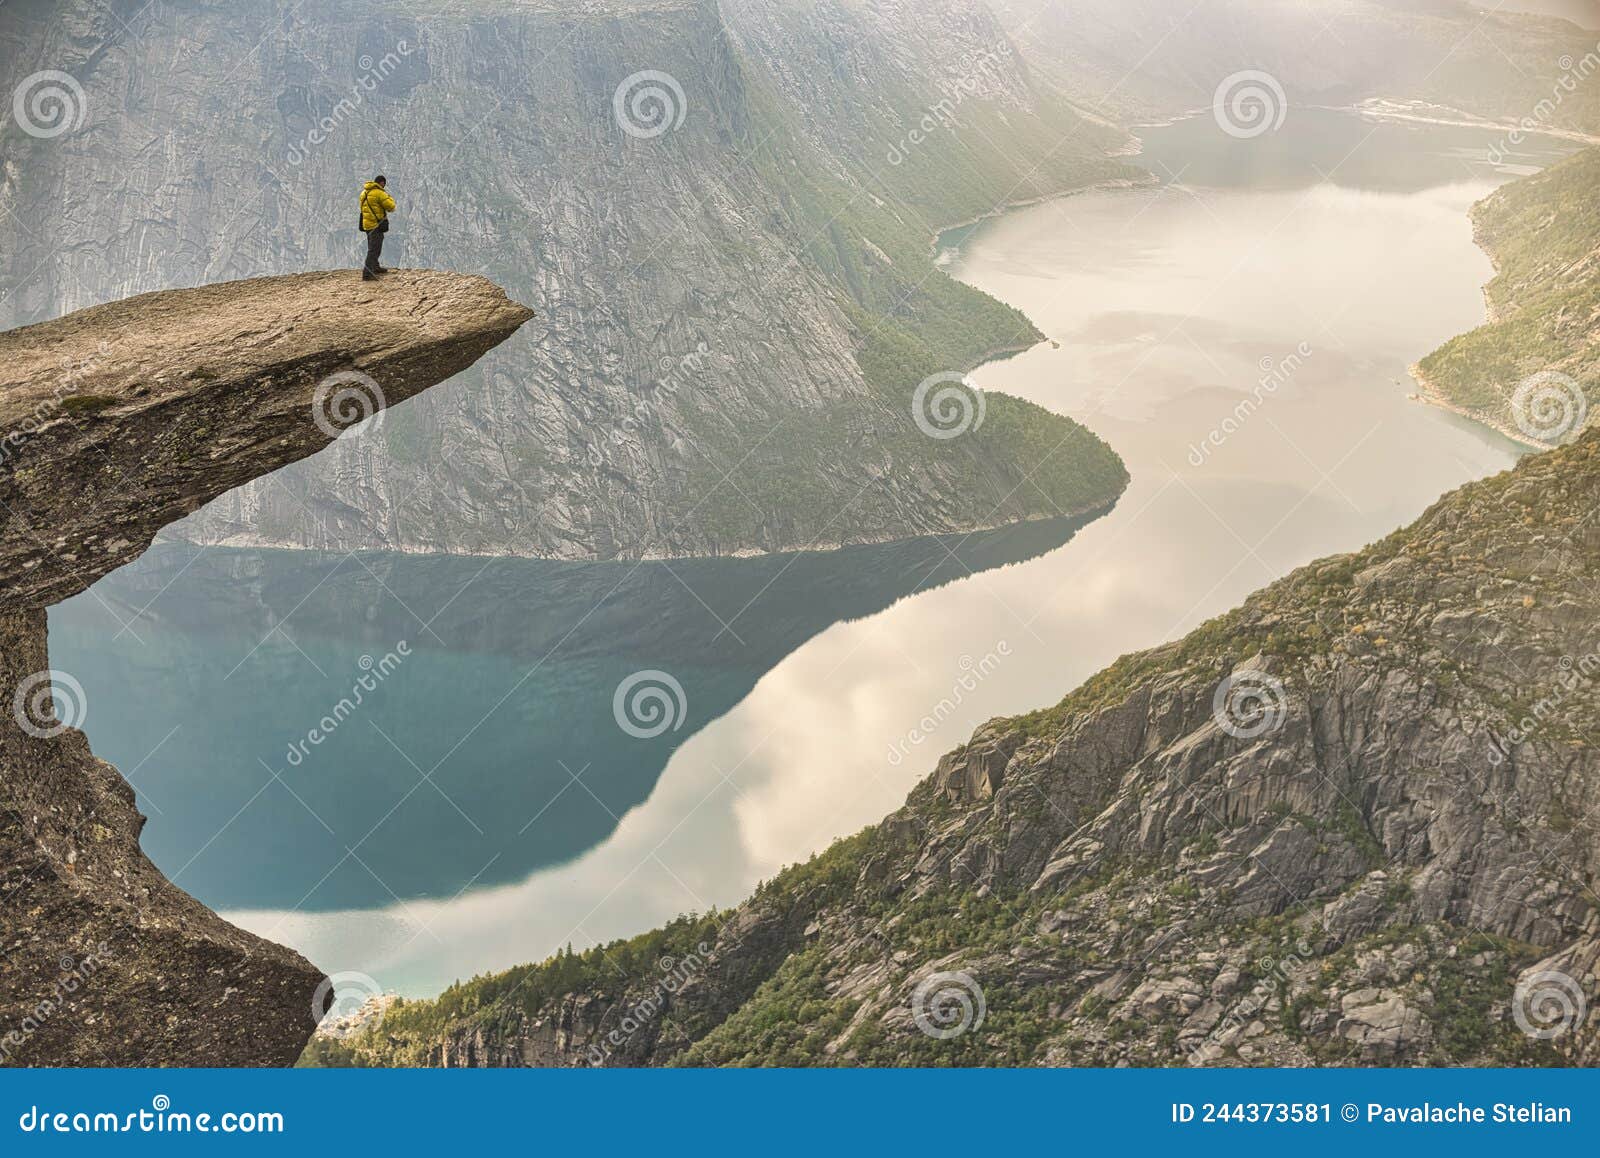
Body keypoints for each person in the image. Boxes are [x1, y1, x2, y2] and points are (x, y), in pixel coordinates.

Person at [359, 175, 396, 280]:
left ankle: (375, 267)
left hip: (366, 225)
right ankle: (367, 274)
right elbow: (391, 207)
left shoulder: (363, 193)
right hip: (376, 225)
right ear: (382, 183)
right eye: (384, 184)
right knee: (374, 250)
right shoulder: (380, 194)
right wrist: (388, 196)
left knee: (372, 247)